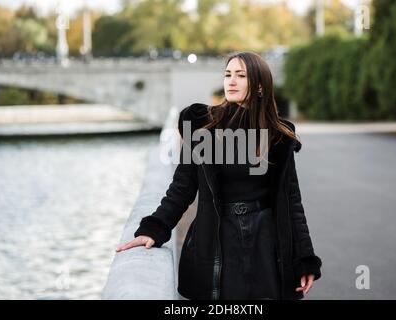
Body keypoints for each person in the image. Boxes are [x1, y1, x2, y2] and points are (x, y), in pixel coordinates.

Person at [116, 51, 322, 300]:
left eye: (240, 75)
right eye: (227, 75)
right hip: (217, 237)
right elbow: (182, 187)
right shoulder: (204, 126)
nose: (231, 81)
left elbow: (292, 201)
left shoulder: (277, 135)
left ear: (258, 86)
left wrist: (304, 258)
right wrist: (155, 228)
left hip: (266, 241)